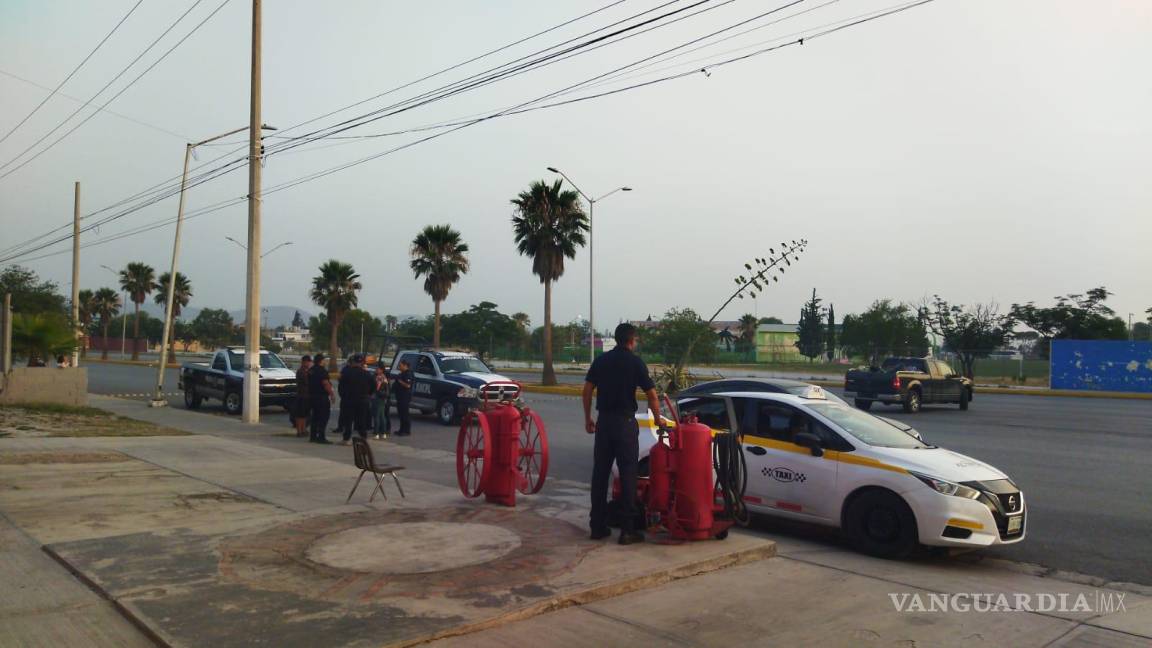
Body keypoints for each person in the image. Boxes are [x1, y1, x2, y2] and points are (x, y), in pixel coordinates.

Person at [582, 322, 661, 545]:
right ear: (632, 340)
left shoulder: (601, 360)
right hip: (625, 424)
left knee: (600, 474)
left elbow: (587, 389)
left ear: (616, 339)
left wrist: (588, 417)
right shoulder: (635, 363)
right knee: (628, 476)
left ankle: (597, 526)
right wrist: (658, 421)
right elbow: (652, 396)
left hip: (604, 423)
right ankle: (628, 530)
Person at [342, 354, 373, 445]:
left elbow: (341, 387)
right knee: (361, 420)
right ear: (362, 363)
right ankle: (363, 438)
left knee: (348, 420)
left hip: (350, 400)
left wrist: (344, 396)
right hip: (362, 400)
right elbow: (373, 385)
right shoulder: (366, 373)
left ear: (353, 362)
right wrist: (368, 394)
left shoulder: (347, 373)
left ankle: (346, 439)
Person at [308, 353, 335, 444]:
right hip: (321, 397)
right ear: (321, 361)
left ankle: (313, 436)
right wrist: (331, 394)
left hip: (312, 396)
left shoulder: (311, 370)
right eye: (324, 360)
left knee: (315, 417)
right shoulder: (322, 371)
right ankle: (321, 436)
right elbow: (325, 383)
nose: (325, 362)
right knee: (323, 417)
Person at [335, 355, 359, 439]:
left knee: (345, 413)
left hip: (346, 395)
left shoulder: (346, 370)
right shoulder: (352, 370)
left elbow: (339, 378)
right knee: (348, 413)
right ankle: (345, 427)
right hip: (349, 395)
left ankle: (343, 428)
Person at [393, 358, 413, 437]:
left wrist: (400, 381)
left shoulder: (408, 374)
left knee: (405, 414)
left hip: (405, 396)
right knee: (401, 414)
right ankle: (401, 429)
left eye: (400, 365)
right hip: (400, 396)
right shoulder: (401, 374)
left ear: (405, 366)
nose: (399, 367)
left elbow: (408, 385)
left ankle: (406, 430)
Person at [293, 355, 313, 437]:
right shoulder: (301, 371)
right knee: (300, 415)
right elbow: (307, 381)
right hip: (302, 396)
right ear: (304, 362)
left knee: (304, 415)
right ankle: (299, 431)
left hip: (307, 396)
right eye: (308, 362)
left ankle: (303, 429)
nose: (309, 364)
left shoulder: (307, 371)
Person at [371, 363, 391, 440]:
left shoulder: (379, 378)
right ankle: (383, 432)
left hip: (378, 398)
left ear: (381, 370)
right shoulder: (384, 378)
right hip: (382, 399)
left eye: (377, 369)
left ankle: (376, 433)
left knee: (377, 416)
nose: (376, 370)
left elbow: (377, 389)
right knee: (382, 416)